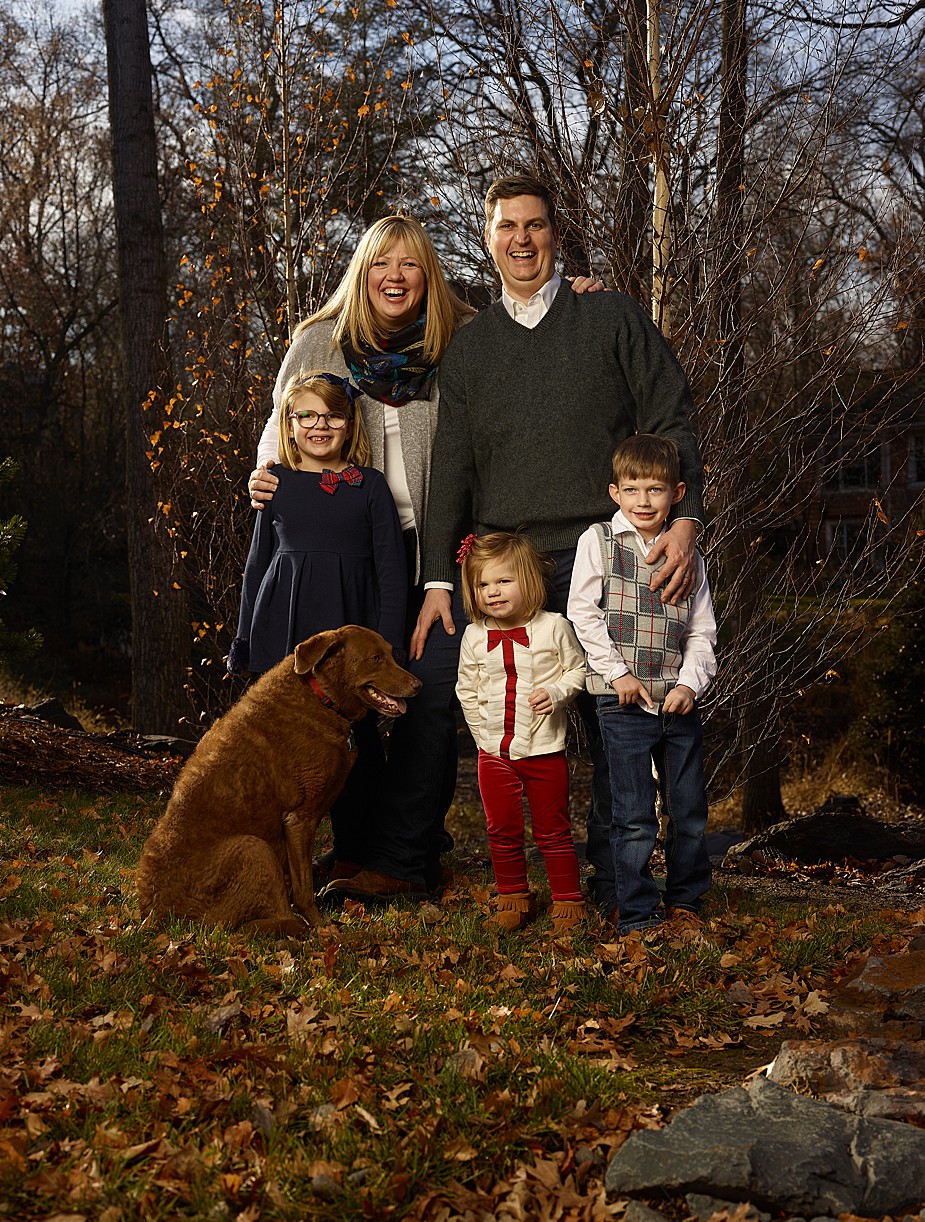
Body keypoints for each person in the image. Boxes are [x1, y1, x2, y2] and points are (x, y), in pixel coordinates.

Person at [248, 215, 603, 904]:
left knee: (428, 699)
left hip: (441, 550)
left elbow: (533, 326)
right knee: (345, 704)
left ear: (428, 275)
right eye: (382, 263)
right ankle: (358, 851)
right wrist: (265, 475)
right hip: (348, 547)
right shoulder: (319, 341)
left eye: (410, 264)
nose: (395, 277)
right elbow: (279, 428)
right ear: (363, 270)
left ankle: (404, 853)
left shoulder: (463, 337)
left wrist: (574, 297)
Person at [413, 173, 706, 921]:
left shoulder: (607, 316)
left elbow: (669, 412)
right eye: (506, 226)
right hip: (510, 565)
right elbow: (451, 466)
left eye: (535, 225)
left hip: (609, 557)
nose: (521, 239)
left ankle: (618, 891)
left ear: (555, 233)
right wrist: (437, 582)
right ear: (487, 239)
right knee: (509, 735)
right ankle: (519, 881)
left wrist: (683, 518)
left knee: (618, 732)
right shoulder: (472, 350)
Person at [230, 371, 408, 871]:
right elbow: (256, 565)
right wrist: (245, 639)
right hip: (282, 628)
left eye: (331, 415)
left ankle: (357, 854)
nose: (318, 425)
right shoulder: (276, 485)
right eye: (305, 415)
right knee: (282, 743)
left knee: (358, 749)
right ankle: (276, 854)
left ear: (350, 425)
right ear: (289, 425)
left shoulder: (369, 487)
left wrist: (386, 650)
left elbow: (391, 572)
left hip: (347, 639)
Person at [567, 435, 716, 934]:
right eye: (632, 490)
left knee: (689, 808)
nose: (644, 502)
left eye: (655, 490)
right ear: (615, 492)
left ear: (676, 492)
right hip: (623, 699)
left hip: (676, 699)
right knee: (631, 815)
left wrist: (690, 685)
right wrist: (618, 674)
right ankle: (635, 911)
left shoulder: (689, 554)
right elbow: (583, 614)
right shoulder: (599, 542)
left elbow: (701, 630)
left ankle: (686, 903)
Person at [456, 533, 587, 934]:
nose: (492, 592)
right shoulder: (475, 636)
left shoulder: (554, 628)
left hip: (545, 750)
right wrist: (483, 738)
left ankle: (567, 900)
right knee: (502, 828)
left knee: (553, 828)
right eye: (482, 585)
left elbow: (578, 670)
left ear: (528, 581)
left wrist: (557, 693)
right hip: (493, 754)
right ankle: (513, 895)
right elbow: (466, 688)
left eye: (503, 581)